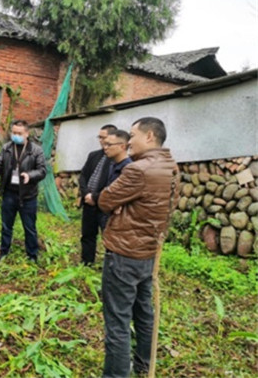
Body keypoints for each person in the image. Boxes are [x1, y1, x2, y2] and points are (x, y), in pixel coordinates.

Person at [98, 117, 180, 377]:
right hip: (149, 252)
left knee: (118, 320)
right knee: (144, 312)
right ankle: (144, 365)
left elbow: (105, 200)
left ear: (150, 136)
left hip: (125, 253)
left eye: (133, 135)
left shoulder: (138, 170)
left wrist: (119, 205)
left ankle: (116, 374)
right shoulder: (171, 166)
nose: (129, 141)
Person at [0, 119, 47, 262]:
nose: (16, 136)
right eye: (14, 132)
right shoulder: (7, 148)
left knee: (29, 227)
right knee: (6, 226)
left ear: (27, 133)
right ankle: (3, 253)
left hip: (28, 196)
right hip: (9, 193)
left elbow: (42, 170)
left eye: (19, 133)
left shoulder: (36, 150)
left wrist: (30, 175)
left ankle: (32, 255)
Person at [78, 124, 117, 265]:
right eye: (99, 137)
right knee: (87, 234)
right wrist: (86, 194)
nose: (100, 140)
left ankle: (110, 265)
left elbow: (113, 185)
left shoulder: (116, 160)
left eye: (103, 137)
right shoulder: (94, 155)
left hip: (104, 205)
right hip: (88, 202)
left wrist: (96, 197)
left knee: (108, 236)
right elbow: (83, 176)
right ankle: (87, 262)